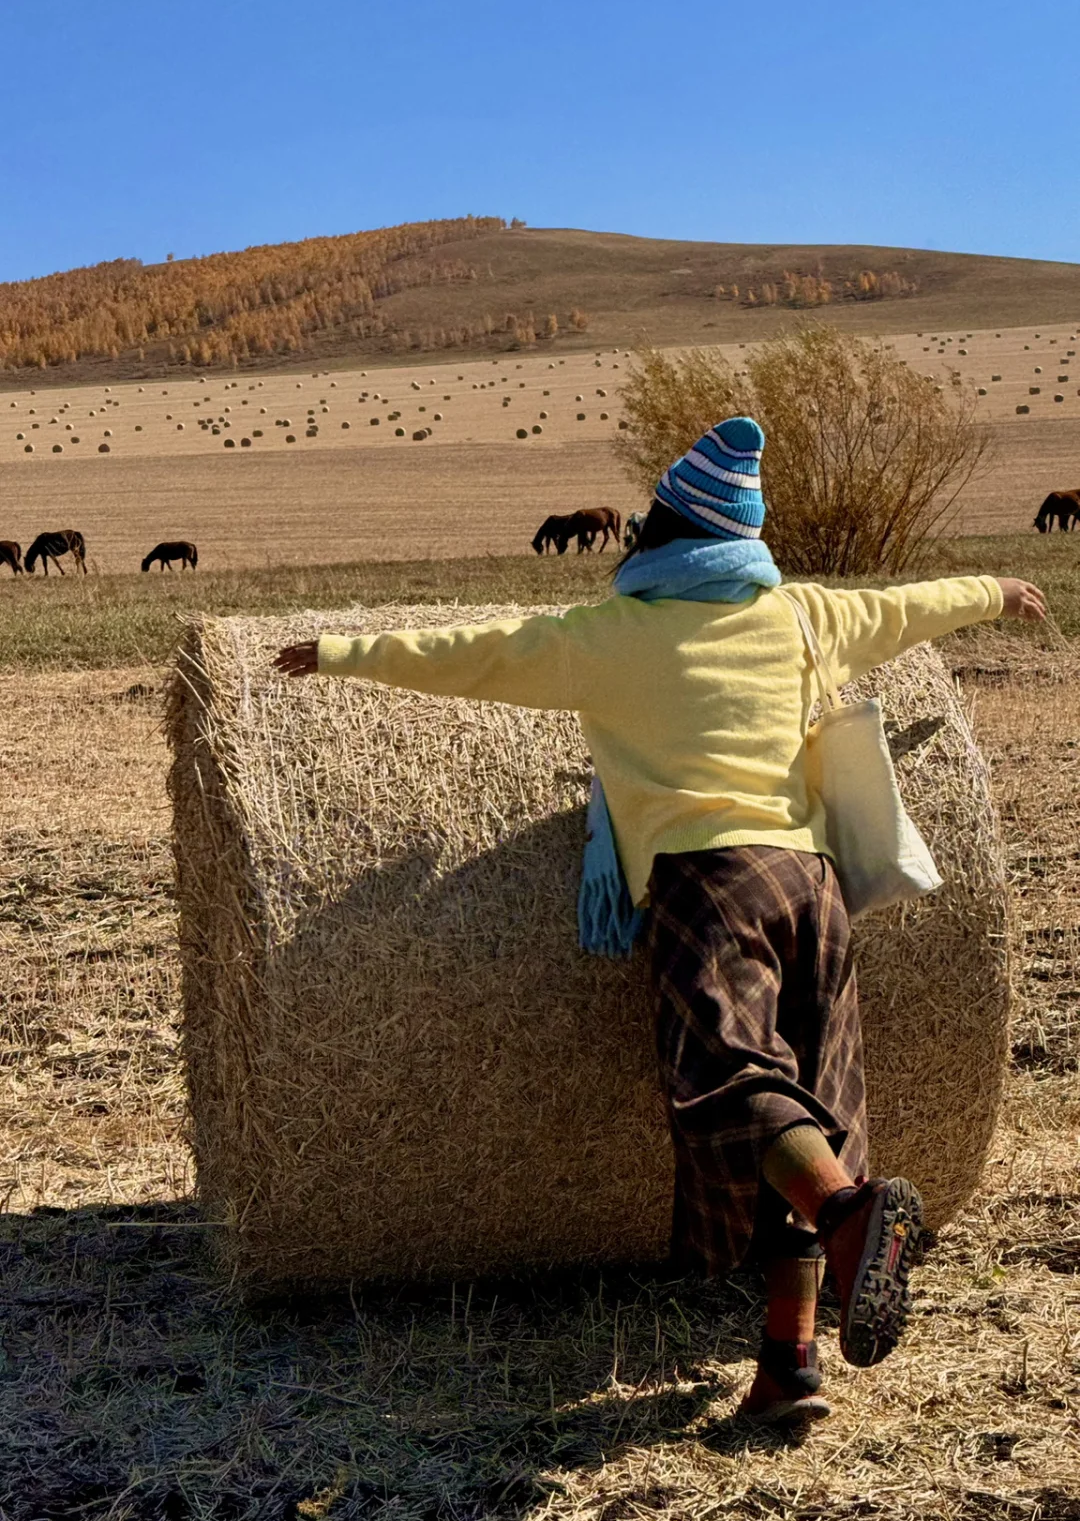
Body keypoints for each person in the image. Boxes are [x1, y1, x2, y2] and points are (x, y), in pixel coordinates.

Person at [275, 417, 1046, 1427]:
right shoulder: (803, 616)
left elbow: (477, 655)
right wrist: (997, 592)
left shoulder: (609, 640)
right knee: (807, 1111)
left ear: (664, 536)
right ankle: (787, 1367)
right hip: (813, 890)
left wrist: (339, 652)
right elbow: (904, 607)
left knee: (728, 1083)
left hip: (710, 883)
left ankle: (854, 1218)